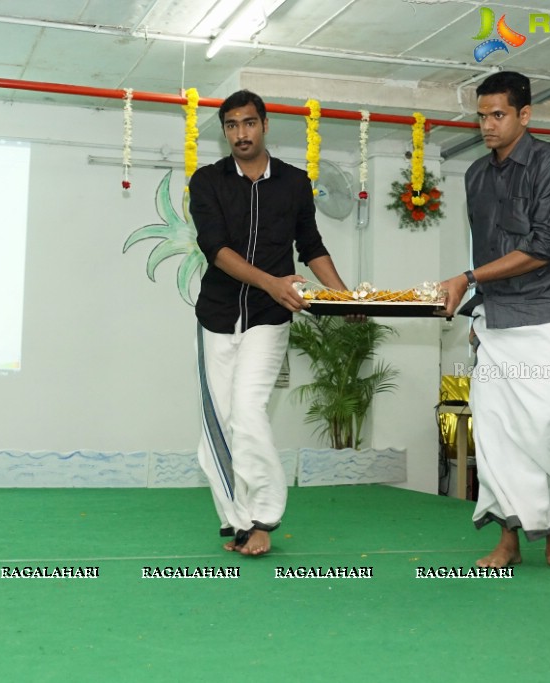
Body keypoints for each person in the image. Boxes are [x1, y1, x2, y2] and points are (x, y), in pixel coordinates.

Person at [189, 90, 350, 556]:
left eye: (249, 123)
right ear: (225, 131)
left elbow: (311, 245)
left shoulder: (296, 183)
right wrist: (272, 282)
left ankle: (262, 517)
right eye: (232, 126)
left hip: (269, 317)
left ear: (265, 125)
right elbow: (216, 251)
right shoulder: (207, 182)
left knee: (248, 411)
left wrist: (341, 295)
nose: (241, 133)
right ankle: (235, 521)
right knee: (216, 425)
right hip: (217, 316)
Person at [439, 71, 550, 568]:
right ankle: (507, 537)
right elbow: (486, 246)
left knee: (545, 424)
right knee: (497, 431)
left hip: (549, 312)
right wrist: (475, 291)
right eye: (481, 115)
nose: (487, 125)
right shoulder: (476, 174)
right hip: (496, 317)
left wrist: (466, 277)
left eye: (497, 114)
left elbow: (544, 246)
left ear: (525, 115)